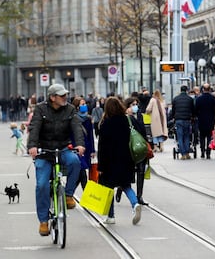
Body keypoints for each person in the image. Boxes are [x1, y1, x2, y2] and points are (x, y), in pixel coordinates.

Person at [27, 83, 85, 236]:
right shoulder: (40, 109)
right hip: (44, 151)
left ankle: (68, 195)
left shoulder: (70, 109)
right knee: (41, 185)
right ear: (52, 97)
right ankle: (44, 221)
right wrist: (32, 146)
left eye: (66, 95)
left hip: (63, 148)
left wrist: (79, 144)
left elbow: (77, 127)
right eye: (62, 95)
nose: (66, 97)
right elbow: (34, 128)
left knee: (75, 162)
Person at [97, 96, 142, 225]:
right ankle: (135, 204)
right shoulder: (126, 121)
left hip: (110, 162)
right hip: (126, 159)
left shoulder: (105, 124)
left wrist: (100, 166)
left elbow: (102, 147)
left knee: (109, 189)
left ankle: (111, 216)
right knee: (126, 185)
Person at [71, 97, 96, 190]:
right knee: (82, 172)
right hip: (77, 149)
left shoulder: (88, 119)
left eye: (85, 103)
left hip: (87, 148)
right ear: (77, 107)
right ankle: (87, 197)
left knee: (80, 174)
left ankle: (68, 194)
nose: (84, 106)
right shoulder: (73, 119)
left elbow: (90, 135)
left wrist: (92, 150)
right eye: (82, 104)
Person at [171, 85, 195, 160]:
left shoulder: (175, 99)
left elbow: (173, 110)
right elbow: (193, 110)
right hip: (187, 120)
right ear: (187, 90)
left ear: (180, 90)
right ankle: (187, 153)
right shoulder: (190, 99)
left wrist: (173, 117)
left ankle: (183, 154)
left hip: (178, 120)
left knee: (180, 137)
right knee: (187, 136)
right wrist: (193, 117)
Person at [195, 83, 215, 159]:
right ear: (209, 89)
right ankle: (208, 153)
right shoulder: (213, 99)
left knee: (201, 137)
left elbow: (195, 110)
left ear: (203, 89)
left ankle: (202, 152)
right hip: (211, 121)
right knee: (209, 137)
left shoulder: (199, 99)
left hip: (201, 121)